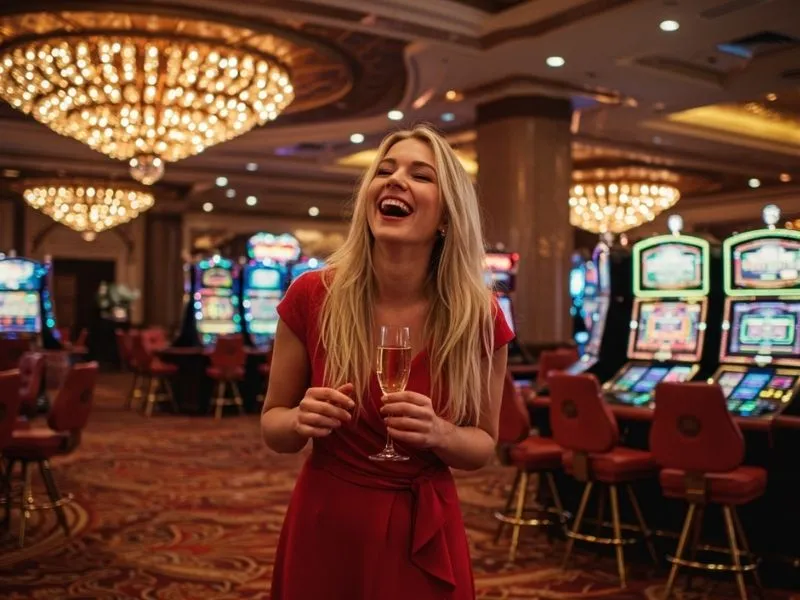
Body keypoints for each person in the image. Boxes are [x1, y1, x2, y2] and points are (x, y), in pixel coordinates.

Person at [261, 124, 514, 599]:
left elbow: (483, 446)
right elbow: (273, 427)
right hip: (327, 517)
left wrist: (440, 434)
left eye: (421, 175)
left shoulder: (478, 316)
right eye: (385, 170)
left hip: (422, 527)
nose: (396, 180)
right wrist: (298, 420)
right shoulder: (312, 296)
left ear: (446, 216)